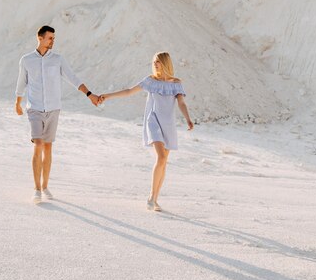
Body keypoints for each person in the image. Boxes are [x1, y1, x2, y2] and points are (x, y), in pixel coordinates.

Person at [15, 25, 101, 204]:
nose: (52, 41)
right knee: (37, 144)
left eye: (53, 38)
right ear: (40, 38)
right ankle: (36, 189)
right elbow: (21, 82)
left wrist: (89, 94)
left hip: (53, 109)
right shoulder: (26, 60)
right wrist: (18, 102)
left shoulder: (58, 59)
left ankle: (45, 186)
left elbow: (73, 78)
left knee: (48, 147)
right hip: (35, 108)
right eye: (49, 38)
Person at [100, 52, 194, 212]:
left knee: (164, 162)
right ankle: (151, 196)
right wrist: (107, 96)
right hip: (153, 121)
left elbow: (182, 103)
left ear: (165, 62)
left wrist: (188, 118)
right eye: (154, 62)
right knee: (161, 156)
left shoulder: (176, 83)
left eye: (158, 61)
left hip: (168, 124)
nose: (155, 64)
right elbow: (129, 91)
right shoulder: (150, 81)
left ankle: (155, 198)